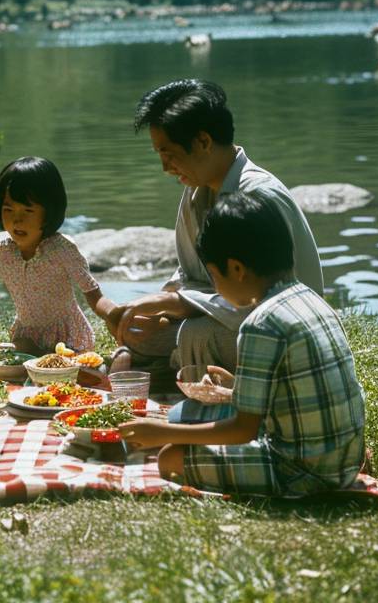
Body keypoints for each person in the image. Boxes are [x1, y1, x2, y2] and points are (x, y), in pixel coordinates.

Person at [120, 192, 365, 497]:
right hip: (346, 460)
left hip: (300, 473)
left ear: (236, 269)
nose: (215, 288)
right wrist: (236, 389)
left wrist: (162, 435)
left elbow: (243, 430)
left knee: (170, 456)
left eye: (213, 276)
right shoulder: (311, 300)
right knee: (178, 415)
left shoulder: (260, 323)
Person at [111, 80, 322, 382]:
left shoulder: (258, 196)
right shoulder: (196, 189)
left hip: (285, 329)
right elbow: (191, 274)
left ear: (203, 142)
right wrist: (161, 308)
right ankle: (162, 365)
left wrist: (179, 305)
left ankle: (164, 370)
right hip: (228, 315)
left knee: (195, 333)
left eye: (168, 153)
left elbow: (272, 299)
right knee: (140, 330)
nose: (165, 167)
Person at [0, 157, 123, 355]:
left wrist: (115, 314)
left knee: (35, 360)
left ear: (49, 212)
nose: (17, 219)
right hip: (26, 337)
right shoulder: (2, 253)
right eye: (8, 209)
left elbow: (94, 296)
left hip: (68, 340)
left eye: (28, 210)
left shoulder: (62, 249)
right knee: (16, 351)